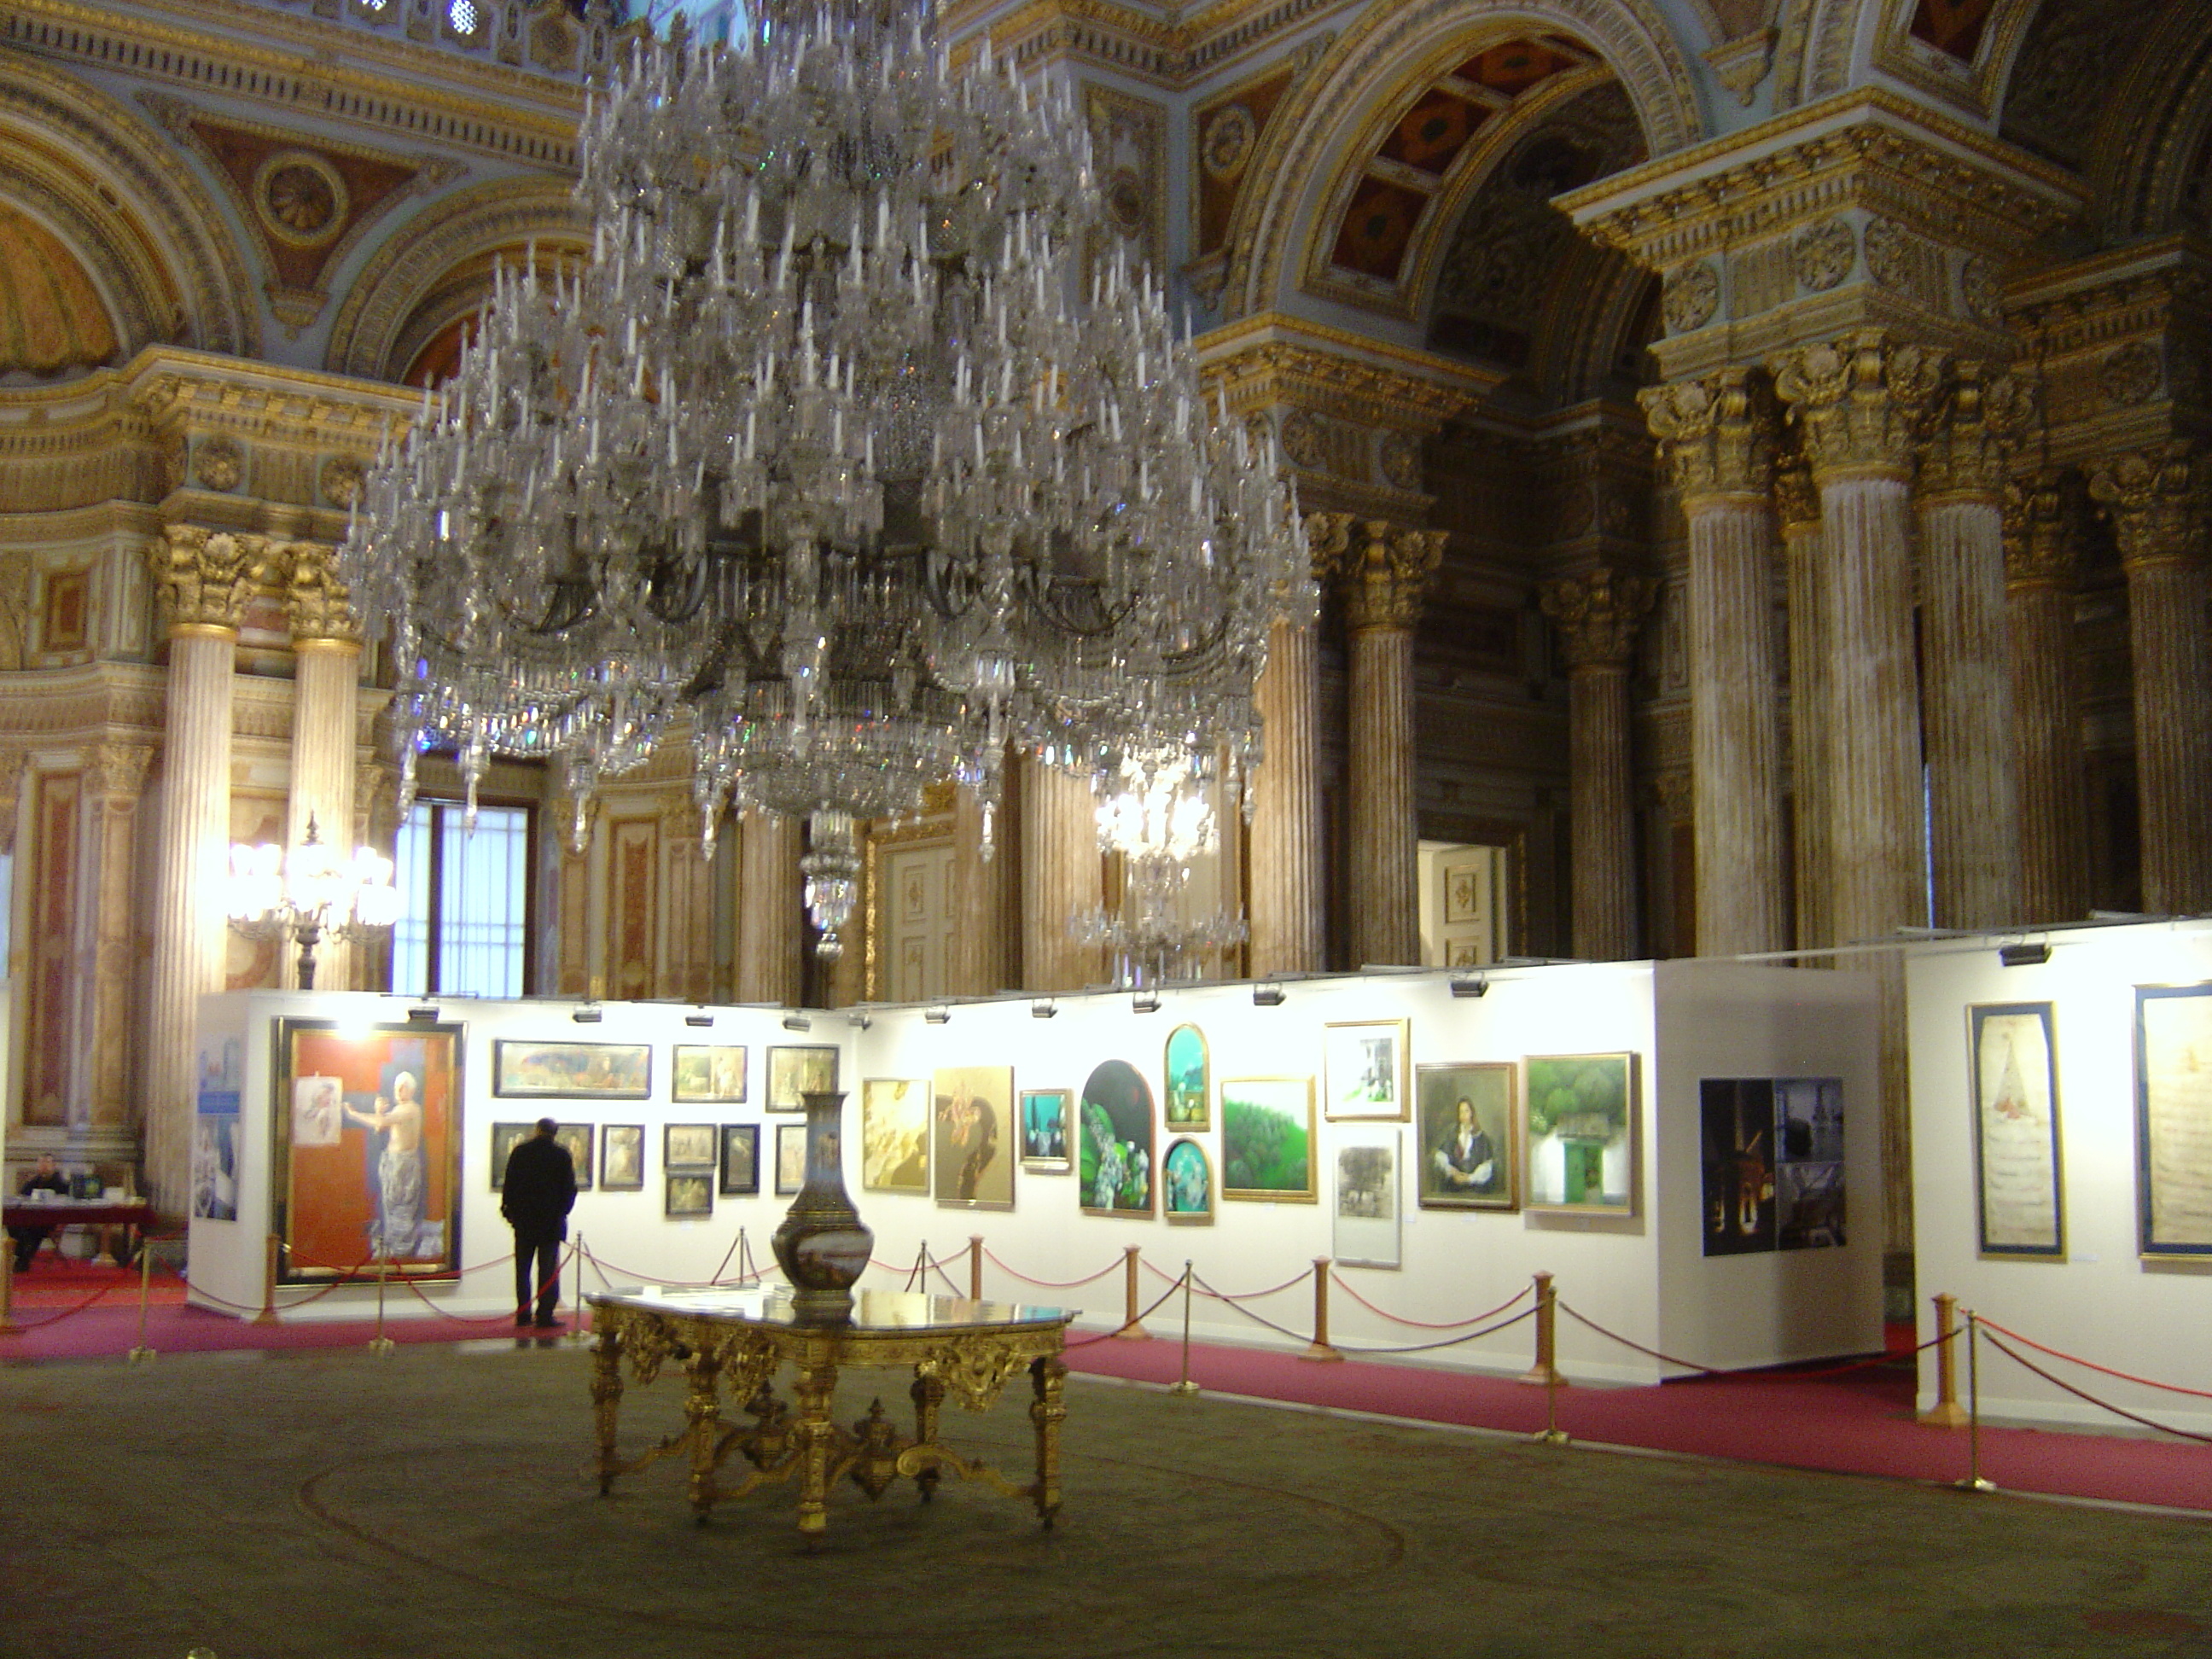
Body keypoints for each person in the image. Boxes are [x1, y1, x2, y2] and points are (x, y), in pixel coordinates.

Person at [501, 1117, 576, 1328]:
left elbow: (510, 1185)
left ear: (537, 1130)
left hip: (524, 1221)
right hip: (550, 1224)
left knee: (522, 1270)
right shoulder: (561, 1155)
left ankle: (523, 1314)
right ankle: (545, 1314)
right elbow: (569, 1189)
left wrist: (510, 1212)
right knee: (548, 1271)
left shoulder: (521, 1152)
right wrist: (561, 1213)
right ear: (554, 1133)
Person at [342, 1070, 425, 1259]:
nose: (399, 1090)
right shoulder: (400, 1108)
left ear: (411, 1090)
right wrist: (379, 1112)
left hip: (403, 1165)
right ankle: (394, 1245)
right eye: (397, 1087)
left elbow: (380, 1123)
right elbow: (381, 1127)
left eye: (403, 1087)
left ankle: (400, 1250)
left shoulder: (411, 1108)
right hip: (393, 1162)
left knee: (400, 1204)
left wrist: (353, 1114)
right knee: (390, 1203)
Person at [10, 1154, 68, 1271]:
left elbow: (65, 1204)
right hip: (30, 1218)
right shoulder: (32, 1183)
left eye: (47, 1162)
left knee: (32, 1229)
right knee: (12, 1224)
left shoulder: (62, 1185)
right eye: (41, 1163)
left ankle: (23, 1260)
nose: (44, 1166)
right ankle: (21, 1256)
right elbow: (22, 1198)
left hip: (50, 1221)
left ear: (53, 1165)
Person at [1432, 1097, 1499, 1196]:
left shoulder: (1482, 1138)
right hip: (1454, 1187)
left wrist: (1469, 1178)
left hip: (1475, 1189)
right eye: (1461, 1112)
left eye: (1466, 1111)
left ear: (1472, 1113)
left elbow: (1487, 1166)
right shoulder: (1453, 1134)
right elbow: (1440, 1155)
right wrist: (1452, 1171)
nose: (1464, 1115)